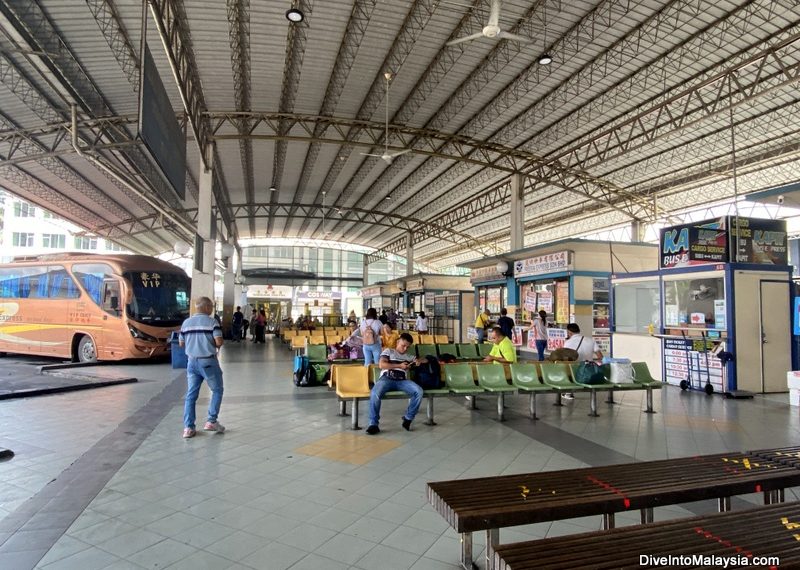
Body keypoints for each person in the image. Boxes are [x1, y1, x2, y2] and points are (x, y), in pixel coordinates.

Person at [179, 296, 225, 438]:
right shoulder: (212, 322)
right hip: (208, 362)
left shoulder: (186, 323)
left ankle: (188, 428)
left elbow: (181, 343)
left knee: (191, 395)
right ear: (206, 308)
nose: (212, 309)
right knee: (217, 390)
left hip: (192, 362)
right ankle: (211, 421)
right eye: (211, 306)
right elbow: (218, 342)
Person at [366, 332, 424, 435]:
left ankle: (408, 418)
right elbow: (381, 364)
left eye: (408, 347)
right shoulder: (389, 351)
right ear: (398, 342)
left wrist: (418, 361)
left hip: (402, 381)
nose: (405, 348)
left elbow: (422, 359)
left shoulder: (409, 356)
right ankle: (373, 424)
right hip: (386, 379)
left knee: (418, 391)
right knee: (375, 393)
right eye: (403, 345)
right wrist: (399, 366)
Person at [562, 323, 603, 399]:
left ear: (569, 332)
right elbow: (600, 356)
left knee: (565, 366)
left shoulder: (568, 342)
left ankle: (568, 392)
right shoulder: (591, 340)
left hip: (575, 370)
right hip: (589, 371)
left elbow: (565, 358)